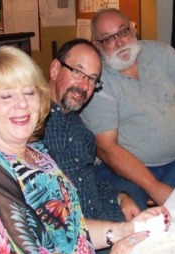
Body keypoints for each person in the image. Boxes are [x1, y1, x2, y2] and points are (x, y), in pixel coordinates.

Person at [0, 45, 171, 254]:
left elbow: (69, 229)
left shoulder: (37, 154)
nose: (22, 104)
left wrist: (124, 230)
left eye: (29, 92)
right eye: (6, 96)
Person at [81, 8, 175, 210]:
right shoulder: (96, 79)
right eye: (108, 39)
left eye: (123, 32)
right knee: (133, 217)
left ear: (133, 30)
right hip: (126, 173)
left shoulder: (157, 52)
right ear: (96, 46)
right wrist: (155, 187)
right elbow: (106, 149)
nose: (119, 43)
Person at [42, 38, 141, 223]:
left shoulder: (78, 127)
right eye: (78, 72)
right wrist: (114, 232)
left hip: (104, 221)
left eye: (93, 79)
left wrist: (120, 197)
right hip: (78, 239)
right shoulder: (31, 128)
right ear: (55, 69)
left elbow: (86, 181)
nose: (85, 86)